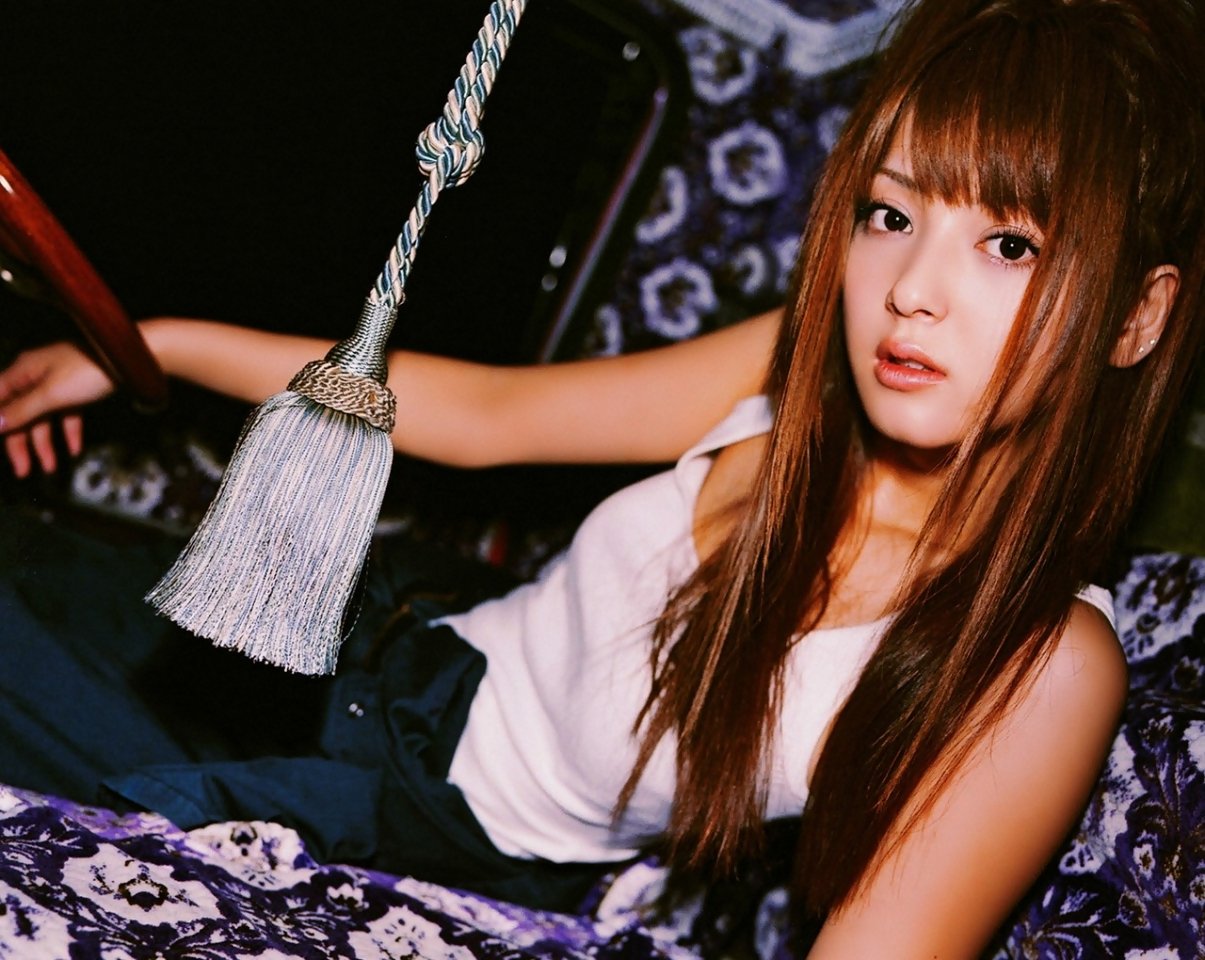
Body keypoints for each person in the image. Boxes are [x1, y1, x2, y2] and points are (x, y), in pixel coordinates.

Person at [2, 0, 1203, 954]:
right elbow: (491, 417)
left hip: (414, 823)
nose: (911, 291)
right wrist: (156, 346)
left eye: (1007, 243)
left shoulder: (1040, 663)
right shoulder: (806, 371)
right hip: (388, 629)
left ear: (1135, 318)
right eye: (888, 216)